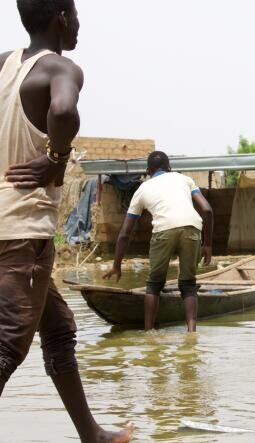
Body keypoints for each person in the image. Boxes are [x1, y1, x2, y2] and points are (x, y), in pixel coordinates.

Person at [0, 1, 133, 441]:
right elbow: (62, 112)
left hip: (6, 228)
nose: (78, 25)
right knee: (8, 345)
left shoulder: (2, 66)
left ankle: (90, 434)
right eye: (75, 16)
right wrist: (55, 159)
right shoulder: (62, 68)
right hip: (23, 233)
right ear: (61, 18)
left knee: (58, 332)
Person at [103, 151, 213, 332]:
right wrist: (207, 245)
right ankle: (191, 333)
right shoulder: (184, 179)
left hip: (163, 229)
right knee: (188, 284)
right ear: (170, 168)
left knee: (154, 284)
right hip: (192, 227)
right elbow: (207, 210)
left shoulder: (143, 189)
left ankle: (149, 332)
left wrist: (117, 265)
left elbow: (125, 233)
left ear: (148, 171)